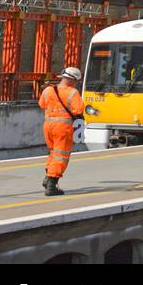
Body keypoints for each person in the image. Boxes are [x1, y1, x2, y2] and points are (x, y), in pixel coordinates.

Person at [38, 66, 84, 196]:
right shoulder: (73, 92)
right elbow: (78, 110)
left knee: (53, 152)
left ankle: (48, 178)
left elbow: (41, 104)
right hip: (63, 127)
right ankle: (52, 184)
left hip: (48, 125)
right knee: (61, 155)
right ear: (72, 80)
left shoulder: (48, 90)